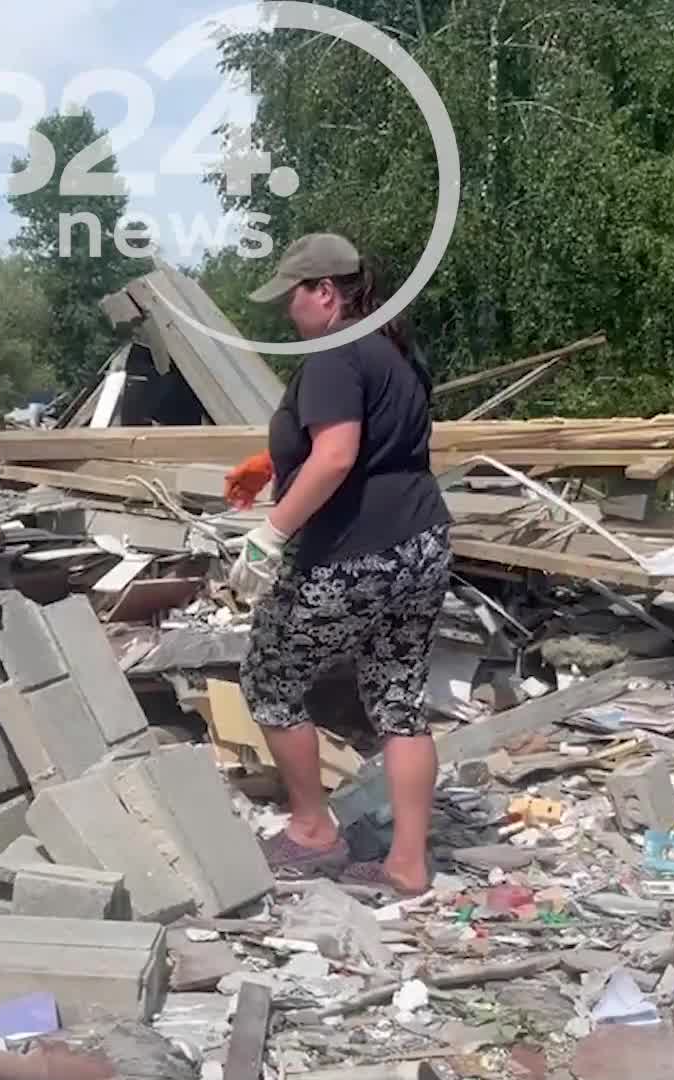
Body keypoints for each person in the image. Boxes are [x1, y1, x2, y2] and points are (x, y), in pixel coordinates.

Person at [230, 232, 452, 895]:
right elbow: (372, 440)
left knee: (269, 677)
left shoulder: (329, 352)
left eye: (291, 297)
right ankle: (408, 866)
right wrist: (272, 463)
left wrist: (270, 532)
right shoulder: (393, 351)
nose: (286, 315)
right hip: (422, 542)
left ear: (324, 292)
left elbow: (337, 456)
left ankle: (311, 831)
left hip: (357, 550)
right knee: (400, 700)